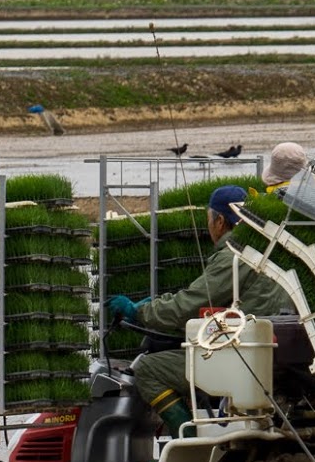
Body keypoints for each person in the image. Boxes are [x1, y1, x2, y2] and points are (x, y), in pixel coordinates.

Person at [107, 185, 291, 437]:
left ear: (219, 221)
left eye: (208, 220)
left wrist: (139, 312)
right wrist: (159, 303)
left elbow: (187, 305)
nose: (208, 227)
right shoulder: (269, 250)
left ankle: (187, 440)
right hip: (267, 352)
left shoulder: (234, 257)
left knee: (148, 369)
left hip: (239, 358)